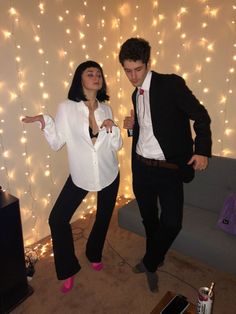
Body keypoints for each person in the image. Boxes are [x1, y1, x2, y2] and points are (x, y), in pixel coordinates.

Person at [119, 38, 212, 293]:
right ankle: (155, 259)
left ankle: (149, 262)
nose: (133, 76)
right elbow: (149, 129)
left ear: (148, 64)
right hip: (141, 168)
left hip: (168, 170)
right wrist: (132, 128)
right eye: (127, 70)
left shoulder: (170, 84)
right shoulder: (134, 94)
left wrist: (202, 150)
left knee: (172, 223)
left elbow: (201, 116)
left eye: (137, 69)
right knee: (149, 219)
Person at [22, 60, 122, 293]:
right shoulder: (67, 108)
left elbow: (114, 145)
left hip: (108, 171)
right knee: (57, 219)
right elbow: (57, 142)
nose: (96, 77)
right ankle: (68, 269)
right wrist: (45, 121)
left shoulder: (106, 108)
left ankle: (93, 252)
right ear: (80, 79)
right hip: (82, 173)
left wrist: (112, 127)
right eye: (90, 73)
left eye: (99, 74)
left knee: (104, 216)